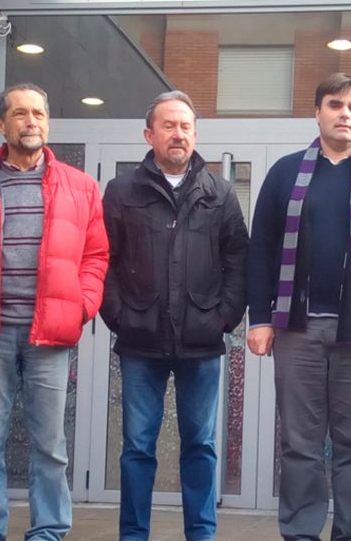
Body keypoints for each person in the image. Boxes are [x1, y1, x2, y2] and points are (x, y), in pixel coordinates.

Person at [246, 72, 351, 541]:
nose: (346, 114)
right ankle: (300, 533)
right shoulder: (285, 172)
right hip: (296, 328)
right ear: (317, 111)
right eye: (336, 105)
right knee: (299, 443)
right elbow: (260, 250)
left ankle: (350, 533)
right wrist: (260, 318)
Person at [0, 82, 109, 541]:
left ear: (48, 122)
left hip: (50, 333)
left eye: (38, 113)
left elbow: (96, 257)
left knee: (50, 446)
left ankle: (49, 531)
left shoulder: (81, 188)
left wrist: (81, 306)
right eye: (19, 114)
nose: (30, 121)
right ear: (1, 124)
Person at [102, 91, 249, 541]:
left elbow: (238, 262)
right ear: (149, 134)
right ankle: (133, 534)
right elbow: (101, 260)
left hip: (201, 342)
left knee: (200, 447)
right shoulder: (122, 191)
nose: (178, 134)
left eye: (186, 126)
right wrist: (121, 317)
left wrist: (223, 318)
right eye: (168, 125)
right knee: (137, 449)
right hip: (139, 341)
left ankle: (201, 534)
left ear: (195, 134)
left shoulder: (219, 193)